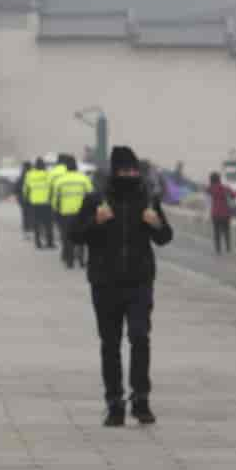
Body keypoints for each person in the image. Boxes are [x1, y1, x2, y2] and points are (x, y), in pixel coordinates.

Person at [70, 145, 173, 427]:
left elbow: (165, 238)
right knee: (110, 343)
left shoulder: (148, 199)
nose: (128, 174)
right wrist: (96, 222)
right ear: (114, 171)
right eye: (123, 170)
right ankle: (114, 402)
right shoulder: (96, 199)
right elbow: (75, 235)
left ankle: (141, 399)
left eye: (132, 169)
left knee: (140, 337)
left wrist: (156, 224)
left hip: (139, 281)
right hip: (105, 282)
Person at [52, 156, 94, 269]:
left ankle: (69, 260)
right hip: (82, 212)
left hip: (66, 212)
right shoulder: (83, 178)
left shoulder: (60, 180)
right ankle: (81, 259)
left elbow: (55, 197)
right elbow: (90, 193)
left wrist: (55, 208)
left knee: (68, 236)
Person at [24, 158, 54, 249]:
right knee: (48, 223)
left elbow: (26, 189)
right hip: (47, 202)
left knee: (36, 223)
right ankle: (49, 243)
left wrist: (27, 199)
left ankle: (38, 242)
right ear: (44, 165)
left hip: (34, 202)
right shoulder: (48, 174)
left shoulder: (29, 174)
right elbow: (52, 187)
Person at [207, 172, 236, 254]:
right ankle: (228, 248)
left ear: (211, 180)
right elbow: (234, 196)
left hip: (215, 214)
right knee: (226, 231)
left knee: (216, 231)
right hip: (226, 213)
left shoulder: (210, 189)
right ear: (219, 179)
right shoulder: (226, 188)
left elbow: (207, 192)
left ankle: (218, 249)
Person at [15, 161, 34, 239]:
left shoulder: (22, 176)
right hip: (32, 199)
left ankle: (26, 232)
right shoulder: (32, 175)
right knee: (32, 216)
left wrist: (19, 198)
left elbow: (16, 188)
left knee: (25, 216)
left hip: (23, 200)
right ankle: (32, 231)